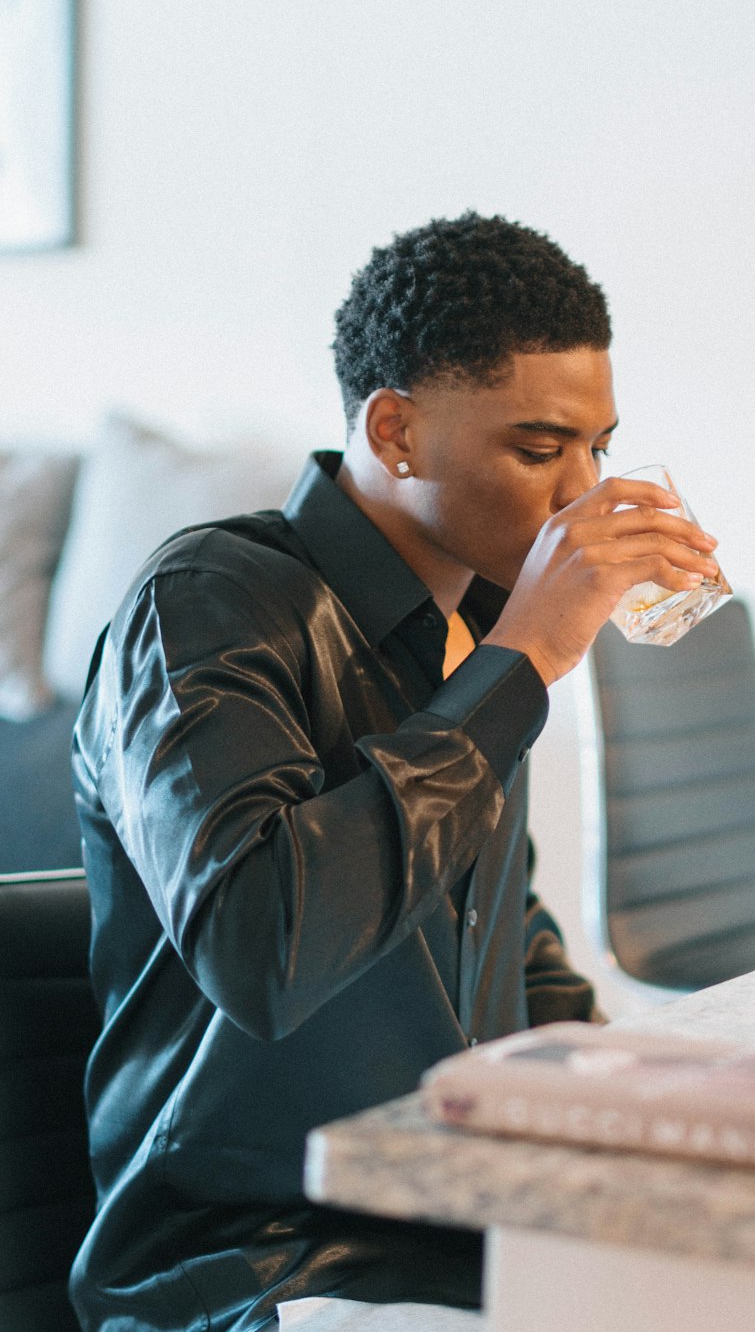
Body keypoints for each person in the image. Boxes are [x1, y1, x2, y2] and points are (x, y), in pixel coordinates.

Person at [69, 212, 722, 1332]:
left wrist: (667, 1115)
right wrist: (523, 666)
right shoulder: (205, 604)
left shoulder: (472, 629)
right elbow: (259, 943)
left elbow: (504, 950)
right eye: (537, 448)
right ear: (397, 430)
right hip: (264, 1266)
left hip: (459, 1231)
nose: (583, 492)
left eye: (597, 447)